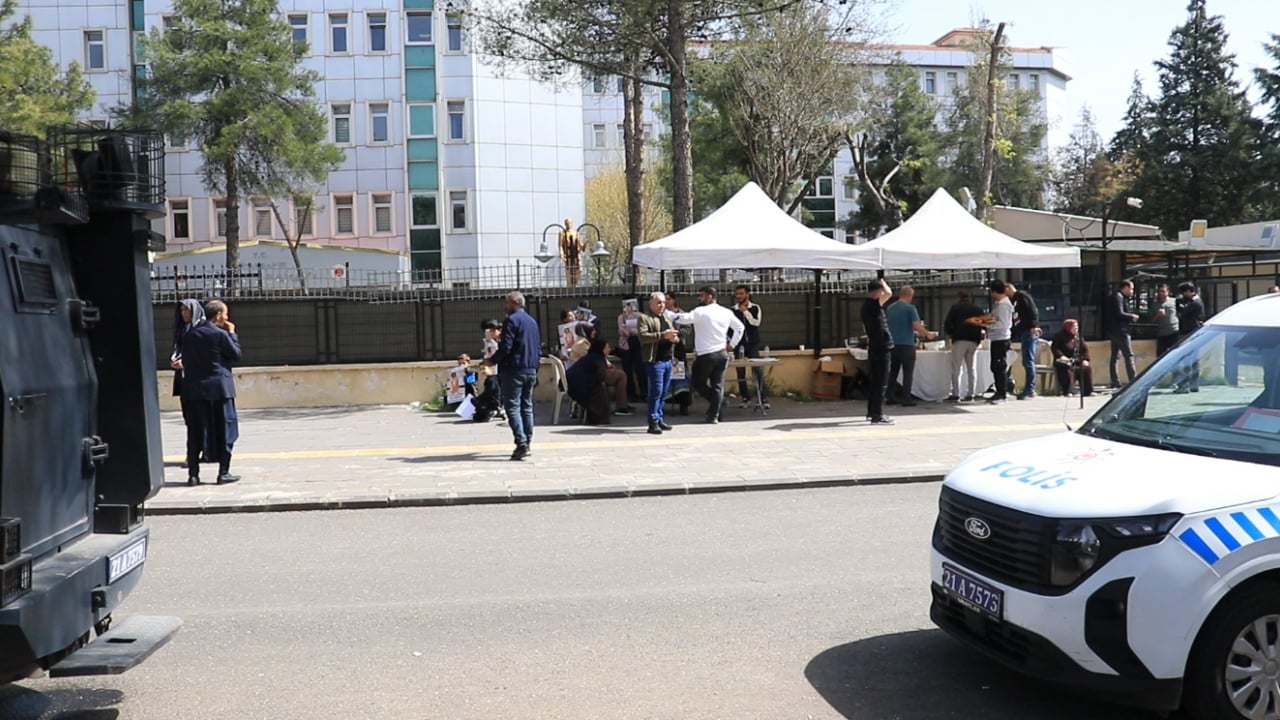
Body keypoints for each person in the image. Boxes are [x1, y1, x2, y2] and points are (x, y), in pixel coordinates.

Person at [180, 299, 242, 485]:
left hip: (195, 391)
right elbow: (236, 354)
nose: (227, 317)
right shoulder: (220, 334)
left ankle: (193, 474)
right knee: (226, 429)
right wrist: (232, 333)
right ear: (219, 316)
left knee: (195, 432)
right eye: (225, 314)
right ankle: (223, 472)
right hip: (220, 390)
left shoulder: (189, 335)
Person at [671, 286, 744, 424]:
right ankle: (715, 413)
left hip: (705, 355)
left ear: (710, 296)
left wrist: (667, 314)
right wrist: (732, 345)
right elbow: (740, 327)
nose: (699, 298)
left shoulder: (700, 311)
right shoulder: (726, 312)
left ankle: (718, 405)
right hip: (722, 354)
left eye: (702, 295)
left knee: (697, 383)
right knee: (718, 385)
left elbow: (684, 319)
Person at [485, 291, 541, 461]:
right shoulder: (532, 322)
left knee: (513, 407)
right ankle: (528, 441)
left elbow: (506, 347)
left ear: (514, 303)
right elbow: (537, 348)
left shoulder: (511, 321)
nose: (505, 306)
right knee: (527, 406)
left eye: (506, 303)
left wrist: (492, 361)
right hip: (530, 369)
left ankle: (521, 443)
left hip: (514, 370)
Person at [170, 298, 207, 468]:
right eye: (182, 310)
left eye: (187, 310)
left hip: (201, 383)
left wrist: (187, 362)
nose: (184, 313)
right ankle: (193, 453)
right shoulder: (181, 331)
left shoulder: (204, 330)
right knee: (190, 419)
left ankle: (203, 451)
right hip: (185, 381)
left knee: (202, 419)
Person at [884, 285, 935, 406]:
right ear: (910, 296)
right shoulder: (910, 308)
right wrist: (927, 334)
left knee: (893, 371)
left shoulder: (890, 308)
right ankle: (906, 398)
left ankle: (889, 395)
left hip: (893, 344)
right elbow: (916, 324)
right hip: (906, 344)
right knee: (908, 372)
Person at [637, 291, 680, 435]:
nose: (662, 305)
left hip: (667, 360)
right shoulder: (644, 318)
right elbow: (643, 337)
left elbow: (672, 334)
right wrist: (663, 335)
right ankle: (653, 421)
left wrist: (674, 338)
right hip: (655, 361)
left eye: (663, 302)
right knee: (655, 393)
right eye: (659, 303)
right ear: (651, 304)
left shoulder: (666, 318)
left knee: (663, 393)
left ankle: (659, 418)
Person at [860, 279, 894, 424]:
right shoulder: (873, 307)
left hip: (875, 346)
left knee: (875, 382)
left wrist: (881, 283)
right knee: (881, 382)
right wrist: (882, 280)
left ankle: (872, 411)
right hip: (882, 347)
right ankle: (877, 414)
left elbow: (888, 294)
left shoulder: (868, 306)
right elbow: (889, 293)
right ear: (878, 291)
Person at [942, 290, 985, 403]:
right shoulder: (977, 309)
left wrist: (951, 334)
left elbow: (948, 323)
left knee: (957, 368)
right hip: (974, 341)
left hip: (960, 339)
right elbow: (983, 324)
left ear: (959, 297)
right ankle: (971, 394)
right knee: (971, 368)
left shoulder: (955, 308)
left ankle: (956, 394)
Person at [731, 285, 769, 410]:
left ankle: (762, 398)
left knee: (757, 370)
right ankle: (745, 398)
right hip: (739, 344)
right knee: (740, 372)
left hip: (752, 343)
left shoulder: (755, 308)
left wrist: (745, 312)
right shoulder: (733, 310)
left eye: (741, 294)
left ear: (747, 294)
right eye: (737, 294)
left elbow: (756, 323)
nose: (739, 296)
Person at [978, 279, 1013, 404]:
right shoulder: (999, 304)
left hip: (1001, 338)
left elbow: (1002, 323)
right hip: (997, 338)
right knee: (995, 366)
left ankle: (1001, 393)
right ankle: (999, 391)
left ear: (994, 291)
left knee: (999, 366)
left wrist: (987, 326)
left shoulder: (1003, 305)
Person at [565, 338, 613, 425]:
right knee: (601, 389)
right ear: (601, 349)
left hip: (571, 384)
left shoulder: (590, 357)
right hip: (579, 386)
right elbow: (601, 376)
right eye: (607, 347)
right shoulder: (598, 358)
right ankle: (599, 418)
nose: (610, 349)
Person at [1006, 282, 1041, 399]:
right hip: (1023, 331)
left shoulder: (1022, 296)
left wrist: (1033, 326)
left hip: (1029, 331)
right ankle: (1028, 388)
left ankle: (1030, 389)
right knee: (1026, 360)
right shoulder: (1014, 300)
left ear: (1009, 289)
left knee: (1028, 360)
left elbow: (1033, 310)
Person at [1104, 279, 1140, 388]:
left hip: (1113, 331)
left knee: (1115, 356)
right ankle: (1133, 380)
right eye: (1131, 289)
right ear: (1126, 287)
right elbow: (1119, 313)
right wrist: (1131, 316)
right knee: (1129, 355)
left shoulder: (1116, 296)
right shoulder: (1118, 297)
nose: (1132, 291)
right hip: (1121, 331)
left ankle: (1115, 381)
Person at [663, 293, 694, 416]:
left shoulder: (681, 314)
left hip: (679, 348)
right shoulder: (662, 314)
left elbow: (688, 329)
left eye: (668, 299)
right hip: (665, 348)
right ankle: (666, 402)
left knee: (681, 376)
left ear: (674, 300)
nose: (666, 302)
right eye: (665, 299)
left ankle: (684, 404)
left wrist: (677, 333)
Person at [1174, 282, 1206, 394]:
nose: (1183, 295)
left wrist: (1179, 303)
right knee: (1190, 359)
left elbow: (1183, 311)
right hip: (1188, 331)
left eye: (1184, 292)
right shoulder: (1189, 301)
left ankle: (1189, 384)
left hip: (1192, 332)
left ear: (1189, 291)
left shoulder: (1196, 302)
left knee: (1191, 360)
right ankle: (1191, 384)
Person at [1050, 318, 1093, 397]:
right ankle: (1067, 391)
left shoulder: (1078, 337)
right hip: (1063, 361)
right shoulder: (1059, 336)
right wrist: (1061, 356)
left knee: (1086, 368)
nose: (1076, 328)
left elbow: (1084, 350)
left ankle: (1088, 391)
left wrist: (1085, 359)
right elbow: (1055, 348)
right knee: (1068, 369)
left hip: (1076, 360)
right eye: (1074, 327)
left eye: (1077, 327)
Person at [616, 299, 645, 402]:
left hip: (638, 344)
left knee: (640, 369)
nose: (629, 308)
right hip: (626, 345)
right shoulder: (621, 317)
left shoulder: (640, 316)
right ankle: (631, 394)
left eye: (631, 306)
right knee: (627, 370)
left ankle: (644, 392)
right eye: (627, 306)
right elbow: (623, 332)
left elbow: (642, 331)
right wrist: (626, 320)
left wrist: (632, 331)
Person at [1151, 283, 1180, 358]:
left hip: (1173, 332)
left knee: (1175, 355)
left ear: (1168, 292)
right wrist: (1157, 315)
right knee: (1160, 357)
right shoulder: (1155, 304)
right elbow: (1152, 320)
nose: (1161, 293)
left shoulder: (1175, 301)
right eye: (1159, 291)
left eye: (1163, 291)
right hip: (1161, 334)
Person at [559, 218, 584, 287]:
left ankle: (575, 284)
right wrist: (561, 254)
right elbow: (560, 245)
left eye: (570, 223)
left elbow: (580, 244)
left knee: (579, 269)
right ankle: (570, 287)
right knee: (569, 271)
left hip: (576, 254)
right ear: (565, 224)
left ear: (572, 224)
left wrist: (584, 245)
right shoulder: (562, 233)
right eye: (567, 223)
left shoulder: (576, 233)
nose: (568, 224)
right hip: (568, 254)